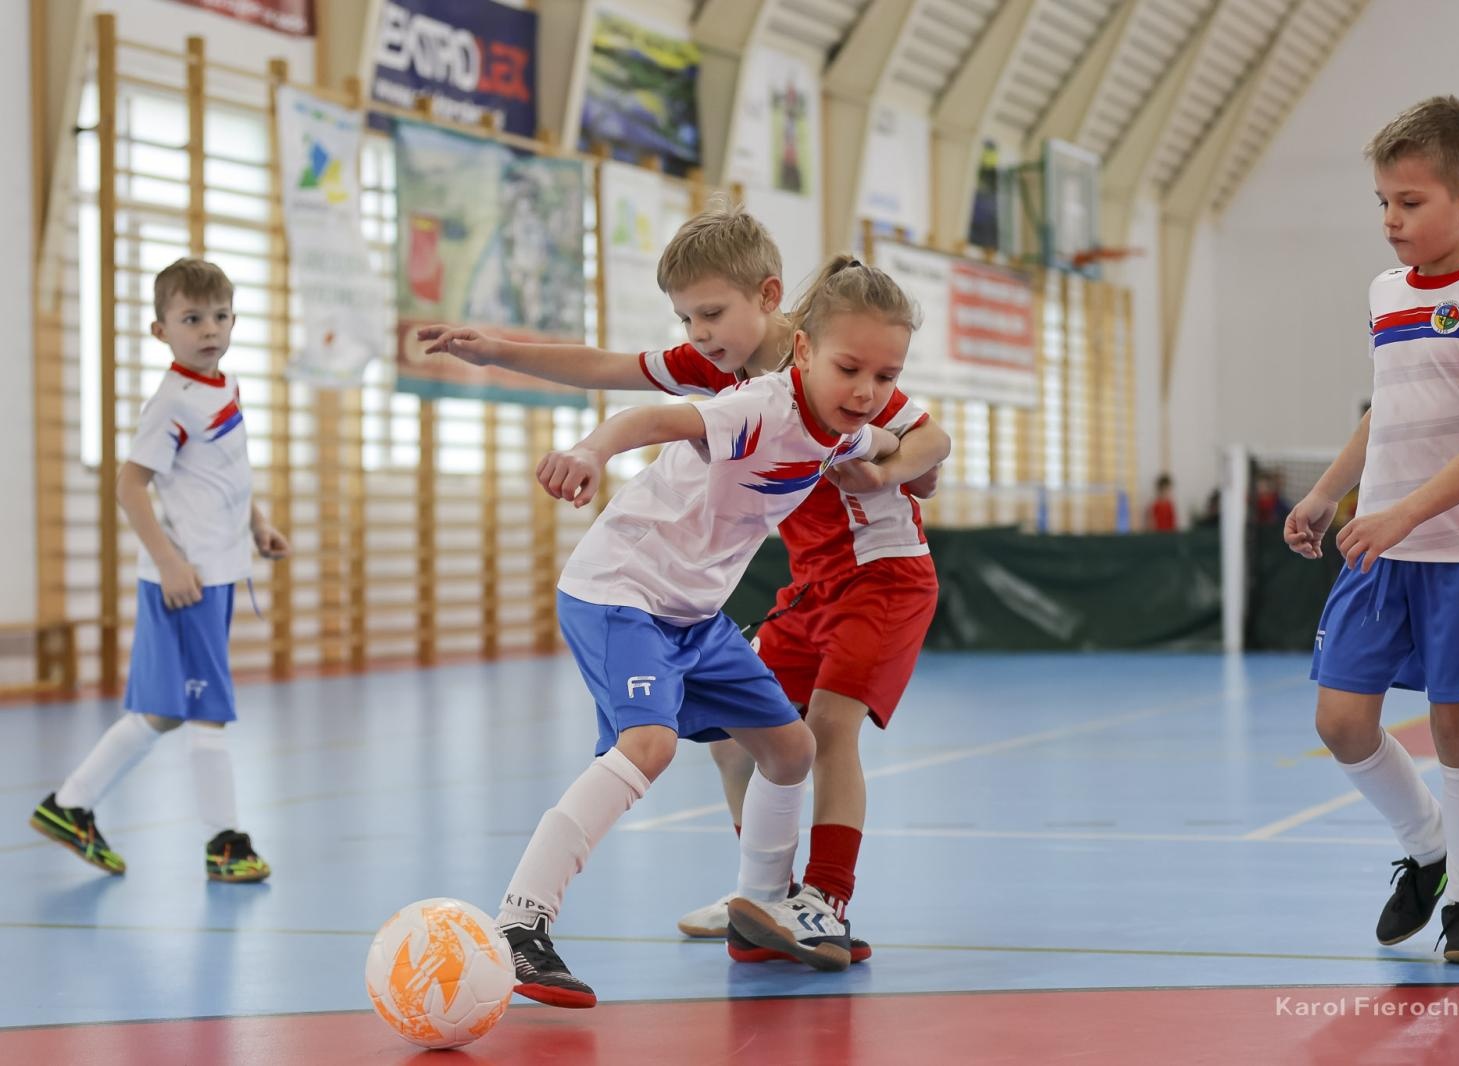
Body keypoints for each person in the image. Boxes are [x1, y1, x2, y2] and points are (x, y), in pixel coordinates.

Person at [420, 203, 949, 962]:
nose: (698, 335)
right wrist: (503, 356)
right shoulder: (738, 387)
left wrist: (899, 471)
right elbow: (621, 382)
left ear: (771, 302)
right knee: (696, 746)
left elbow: (917, 435)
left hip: (827, 579)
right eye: (687, 318)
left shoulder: (843, 371)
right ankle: (707, 902)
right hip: (673, 583)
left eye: (710, 314)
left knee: (808, 739)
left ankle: (796, 901)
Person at [1284, 97, 1459, 965]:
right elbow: (1383, 414)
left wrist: (1397, 514)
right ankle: (1427, 848)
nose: (1390, 220)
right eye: (1383, 202)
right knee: (1342, 720)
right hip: (1380, 550)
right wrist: (1327, 495)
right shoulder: (1385, 293)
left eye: (1411, 202)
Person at [29, 258, 289, 882]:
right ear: (160, 330)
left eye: (220, 316)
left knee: (165, 709)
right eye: (191, 318)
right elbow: (129, 486)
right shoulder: (171, 403)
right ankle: (226, 843)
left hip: (217, 573)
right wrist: (171, 562)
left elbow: (226, 472)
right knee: (205, 711)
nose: (209, 329)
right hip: (187, 581)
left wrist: (257, 524)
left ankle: (70, 805)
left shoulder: (223, 388)